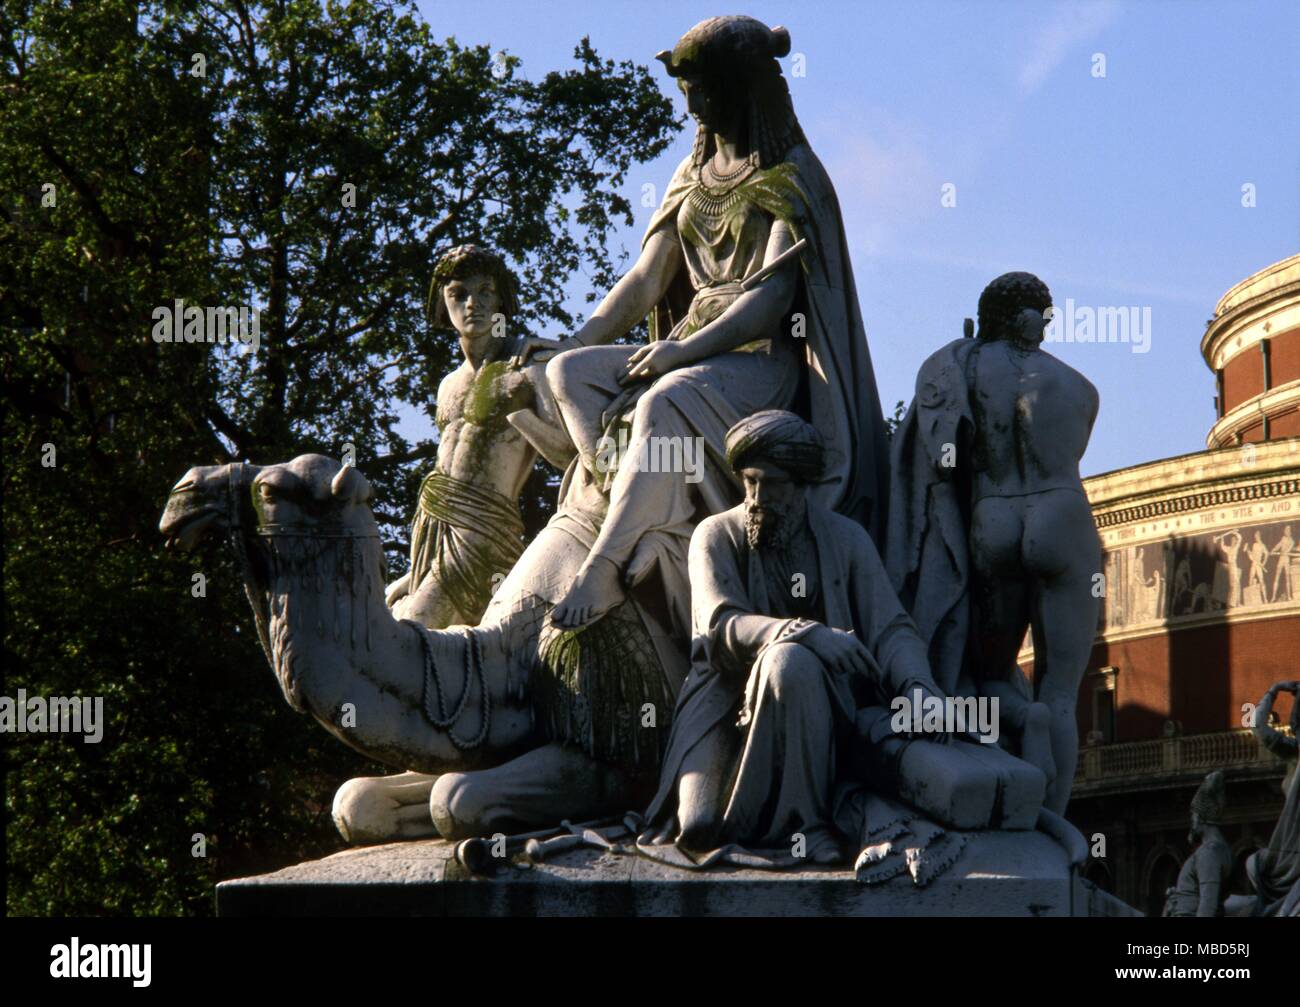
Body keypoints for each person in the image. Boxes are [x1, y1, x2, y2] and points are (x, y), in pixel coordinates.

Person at [512, 16, 890, 630]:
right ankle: (629, 502)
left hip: (761, 361)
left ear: (744, 88)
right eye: (687, 96)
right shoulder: (692, 176)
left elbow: (770, 302)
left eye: (705, 94)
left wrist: (679, 355)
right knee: (568, 377)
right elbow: (645, 279)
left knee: (666, 399)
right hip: (693, 347)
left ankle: (605, 565)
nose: (695, 111)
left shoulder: (791, 175)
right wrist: (576, 342)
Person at [639, 411, 948, 865]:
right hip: (724, 701)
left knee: (789, 663)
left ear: (805, 486)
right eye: (749, 481)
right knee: (698, 825)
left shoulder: (846, 539)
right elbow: (720, 625)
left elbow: (891, 629)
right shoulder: (716, 534)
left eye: (773, 483)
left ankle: (806, 826)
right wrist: (807, 633)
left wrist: (918, 688)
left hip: (822, 701)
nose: (758, 497)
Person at [886, 272, 1099, 814]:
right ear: (1030, 316)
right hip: (1062, 515)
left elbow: (941, 455)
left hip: (992, 519)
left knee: (986, 675)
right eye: (1045, 313)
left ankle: (1007, 752)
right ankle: (1051, 820)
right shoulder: (1079, 387)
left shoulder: (962, 365)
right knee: (1060, 692)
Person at [386, 245, 569, 628]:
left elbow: (569, 455)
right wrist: (415, 570)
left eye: (485, 291)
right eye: (459, 293)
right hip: (432, 540)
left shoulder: (528, 366)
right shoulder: (448, 385)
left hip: (484, 536)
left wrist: (519, 415)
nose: (474, 304)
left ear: (502, 298)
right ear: (442, 303)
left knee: (407, 635)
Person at [1162, 771, 1232, 917]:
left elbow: (1208, 903)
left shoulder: (1209, 853)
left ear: (1200, 818)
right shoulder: (1218, 849)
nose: (1192, 822)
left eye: (1193, 817)